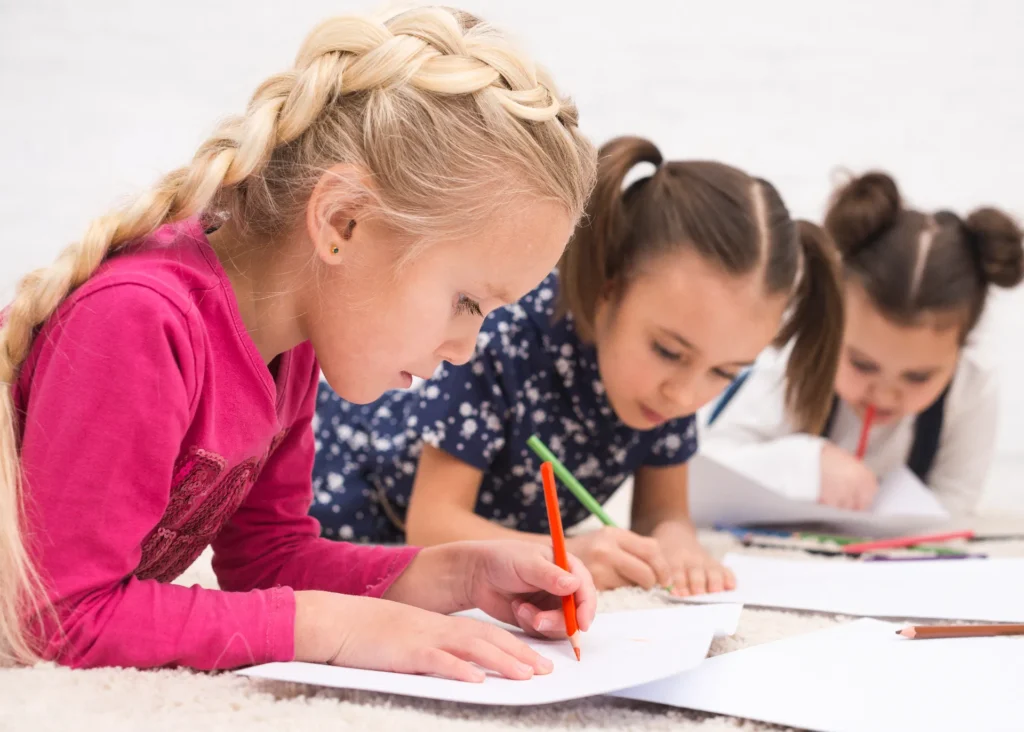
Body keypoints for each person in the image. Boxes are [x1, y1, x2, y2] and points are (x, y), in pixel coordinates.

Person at [0, 7, 600, 680]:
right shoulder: (140, 320)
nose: (466, 349)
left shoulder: (292, 346)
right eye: (468, 302)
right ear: (343, 220)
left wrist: (458, 573)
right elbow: (58, 619)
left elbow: (268, 560)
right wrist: (328, 627)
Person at [312, 135, 844, 596]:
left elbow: (662, 514)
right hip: (355, 507)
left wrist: (677, 546)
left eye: (724, 373)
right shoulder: (505, 336)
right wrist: (575, 552)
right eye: (668, 352)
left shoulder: (671, 379)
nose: (685, 396)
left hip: (490, 547)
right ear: (608, 290)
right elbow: (430, 527)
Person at [702, 172, 1023, 514]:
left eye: (918, 377)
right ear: (833, 322)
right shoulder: (796, 362)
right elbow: (705, 470)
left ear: (961, 350)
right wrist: (807, 464)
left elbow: (953, 504)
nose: (883, 395)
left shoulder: (973, 388)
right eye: (862, 364)